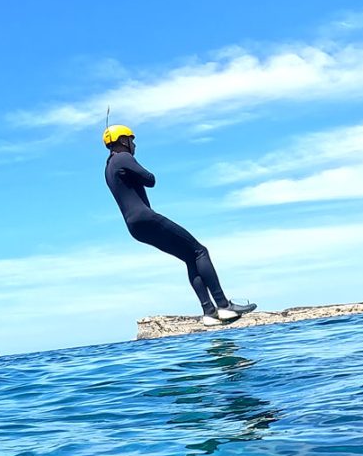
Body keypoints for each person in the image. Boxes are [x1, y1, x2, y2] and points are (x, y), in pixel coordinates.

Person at [103, 125, 256, 326]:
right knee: (200, 251)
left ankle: (209, 312)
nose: (135, 144)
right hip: (146, 217)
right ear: (123, 141)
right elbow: (150, 180)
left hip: (135, 227)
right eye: (132, 140)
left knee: (189, 257)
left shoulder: (108, 167)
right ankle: (224, 305)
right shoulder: (123, 158)